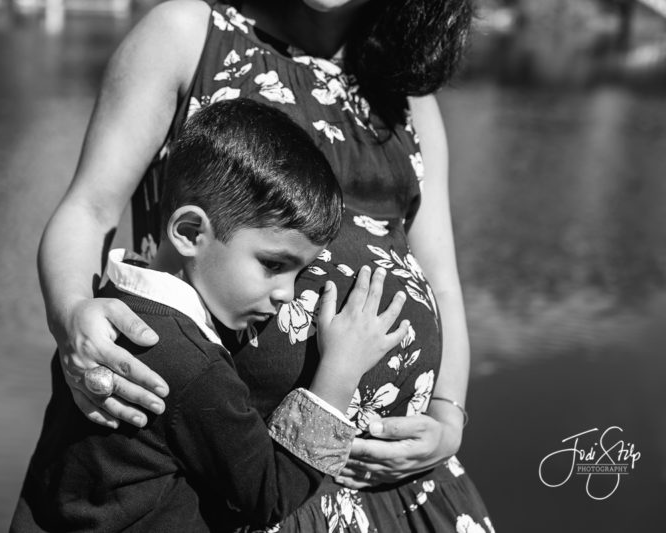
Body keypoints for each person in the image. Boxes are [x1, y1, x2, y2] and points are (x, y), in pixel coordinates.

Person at [37, 0, 494, 530]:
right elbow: (90, 209)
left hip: (406, 492)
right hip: (252, 489)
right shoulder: (189, 34)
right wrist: (72, 316)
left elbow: (441, 280)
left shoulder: (407, 96)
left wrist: (447, 417)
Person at [12, 99, 412, 532]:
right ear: (189, 232)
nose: (286, 294)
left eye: (300, 273)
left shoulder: (103, 309)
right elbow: (269, 495)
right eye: (273, 264)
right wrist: (339, 373)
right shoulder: (192, 367)